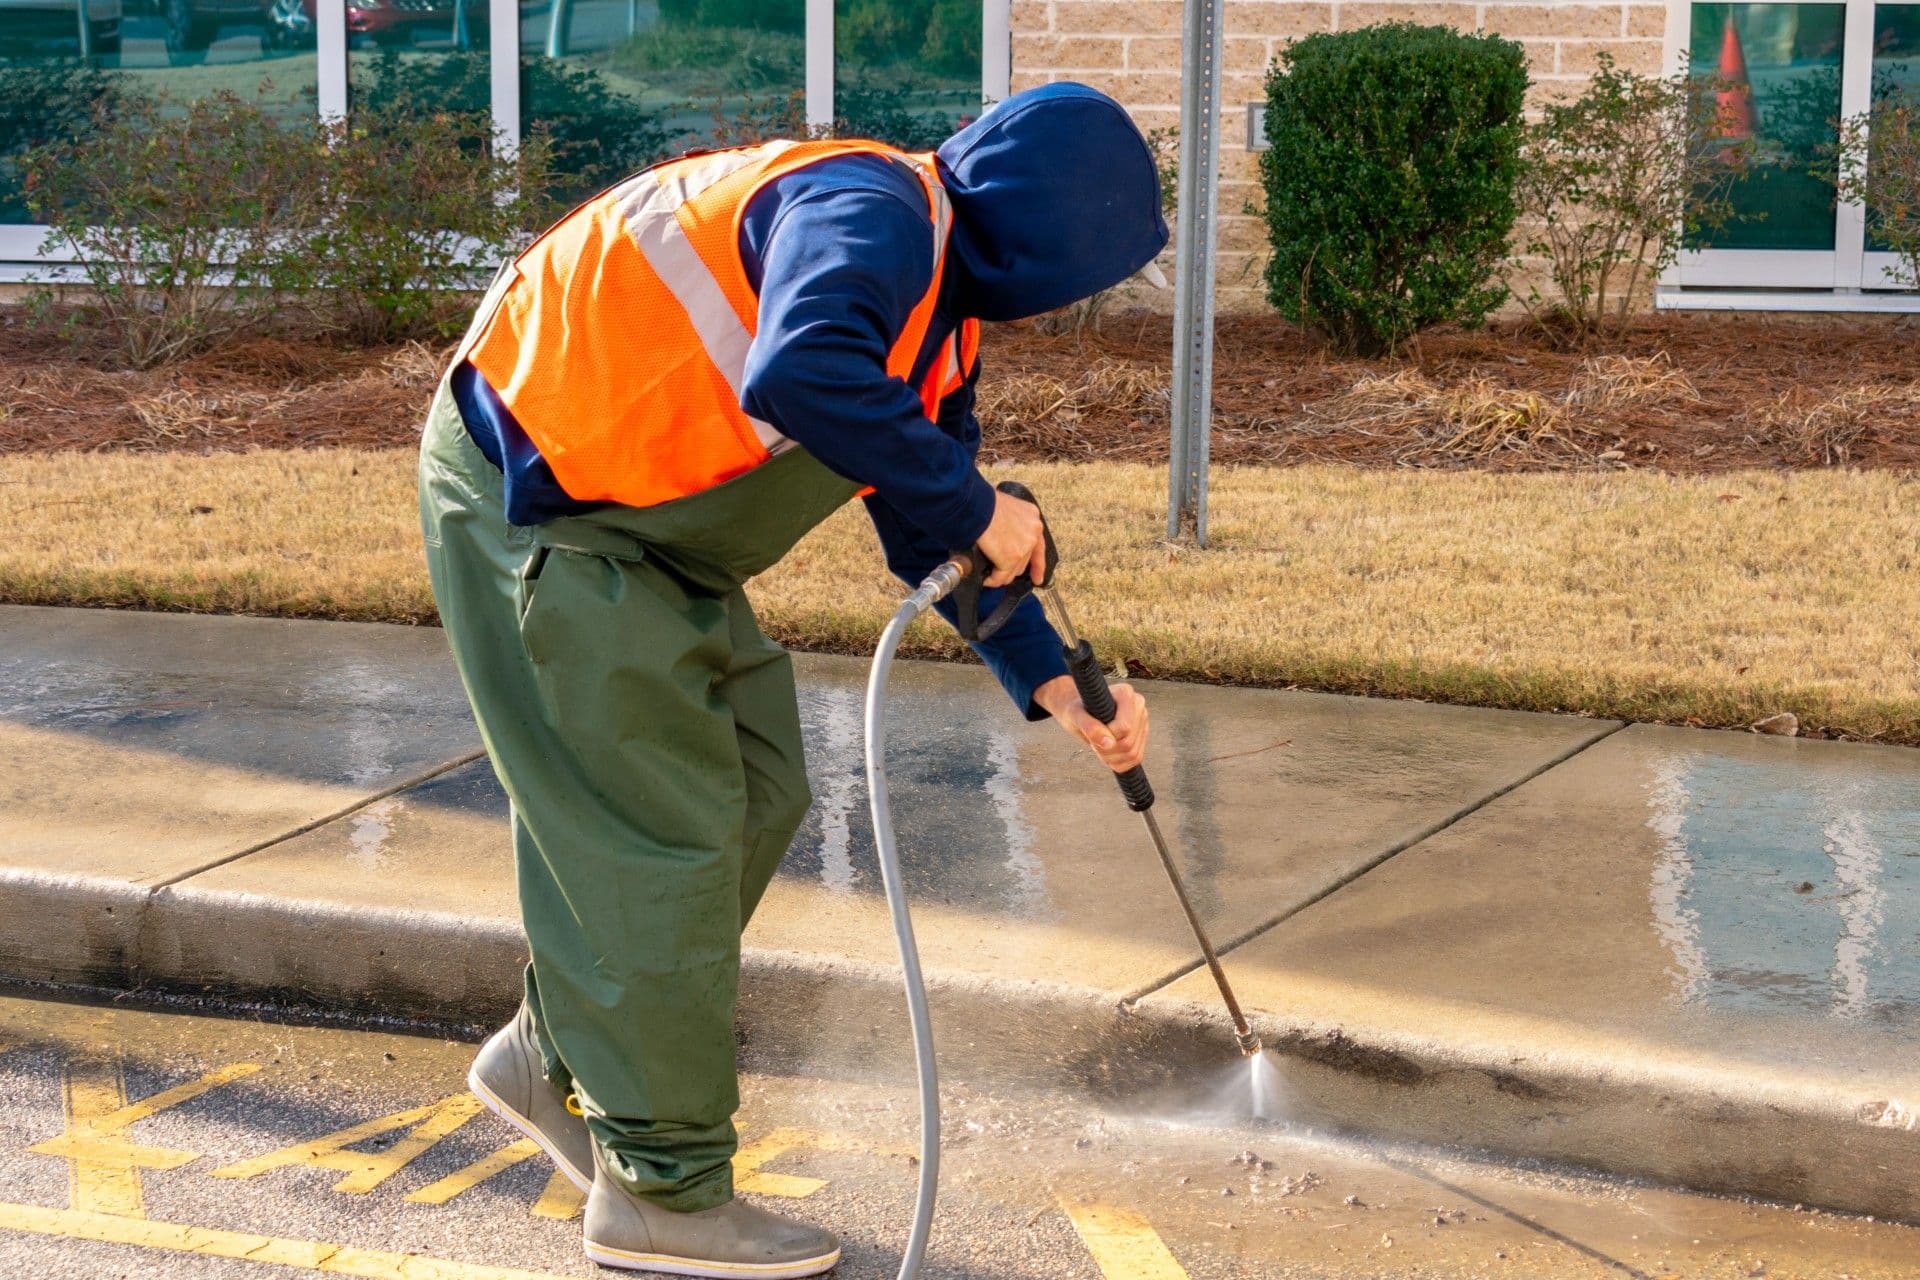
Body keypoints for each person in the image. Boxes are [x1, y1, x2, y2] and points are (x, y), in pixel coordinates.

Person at [417, 81, 1165, 1278]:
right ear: (1047, 238)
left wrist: (1056, 683)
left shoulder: (939, 316)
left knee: (758, 787)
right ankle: (661, 1192)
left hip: (644, 538)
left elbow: (933, 519)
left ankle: (546, 1052)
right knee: (665, 837)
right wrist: (982, 503)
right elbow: (803, 369)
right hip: (542, 511)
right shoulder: (872, 211)